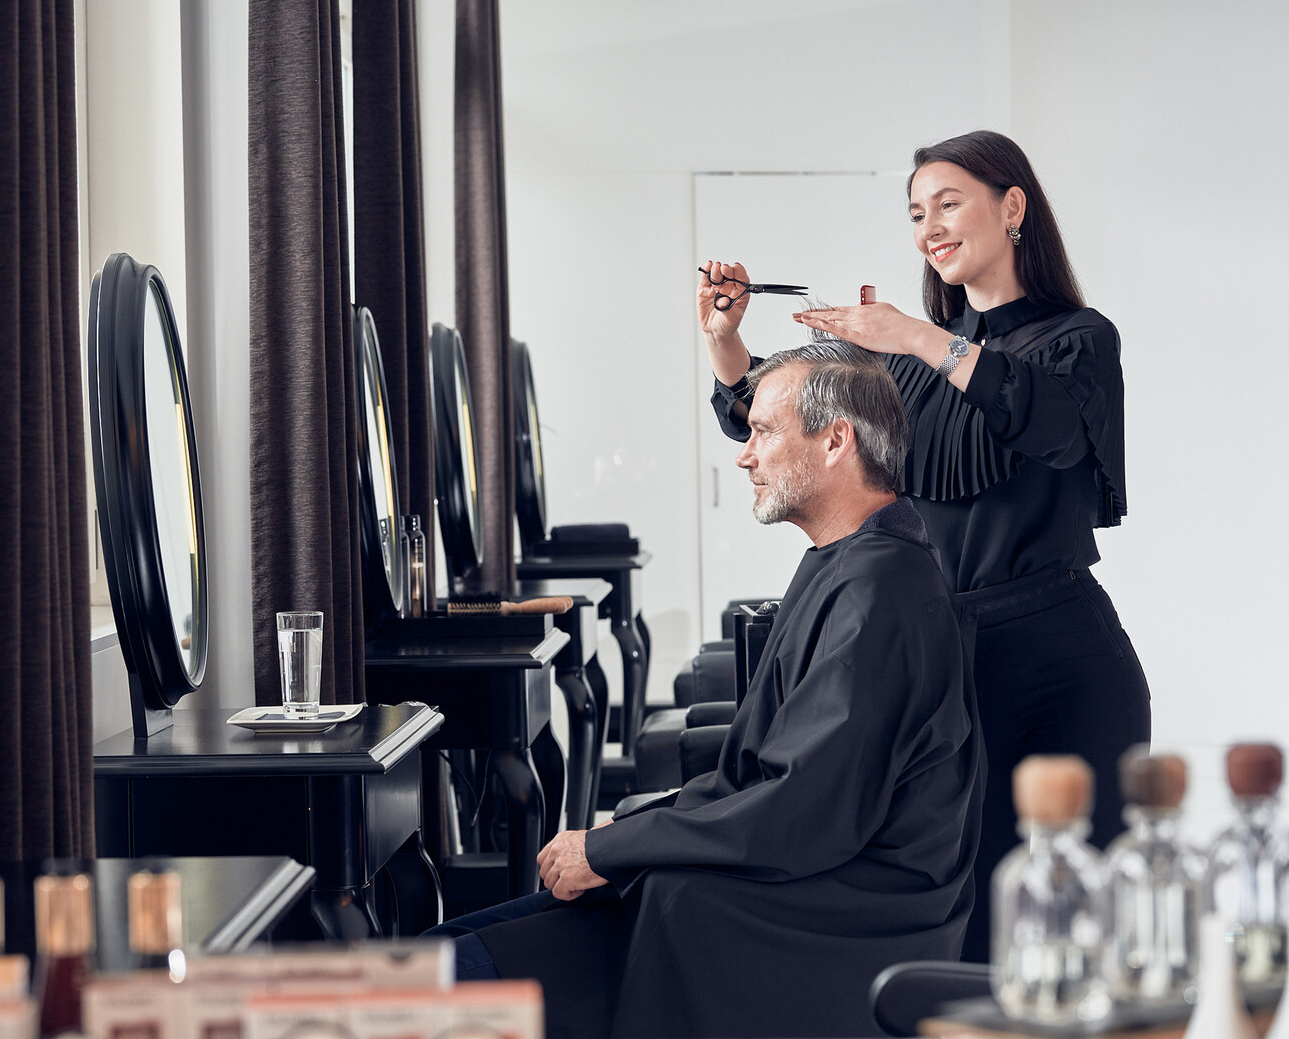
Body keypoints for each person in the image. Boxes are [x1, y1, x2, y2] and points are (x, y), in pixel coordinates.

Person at [430, 339, 983, 1039]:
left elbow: (801, 812)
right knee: (444, 954)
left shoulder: (881, 594)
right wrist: (628, 832)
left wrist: (613, 849)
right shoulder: (848, 563)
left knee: (443, 979)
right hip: (766, 894)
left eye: (762, 432)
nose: (744, 455)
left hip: (815, 927)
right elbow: (766, 782)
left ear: (837, 440)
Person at [699, 130, 1150, 961]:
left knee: (1075, 923)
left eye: (948, 204)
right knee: (964, 917)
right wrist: (727, 339)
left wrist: (914, 337)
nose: (929, 228)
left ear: (1012, 207)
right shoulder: (905, 356)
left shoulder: (1078, 340)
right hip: (949, 655)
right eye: (916, 213)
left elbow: (1046, 423)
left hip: (1062, 663)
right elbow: (782, 417)